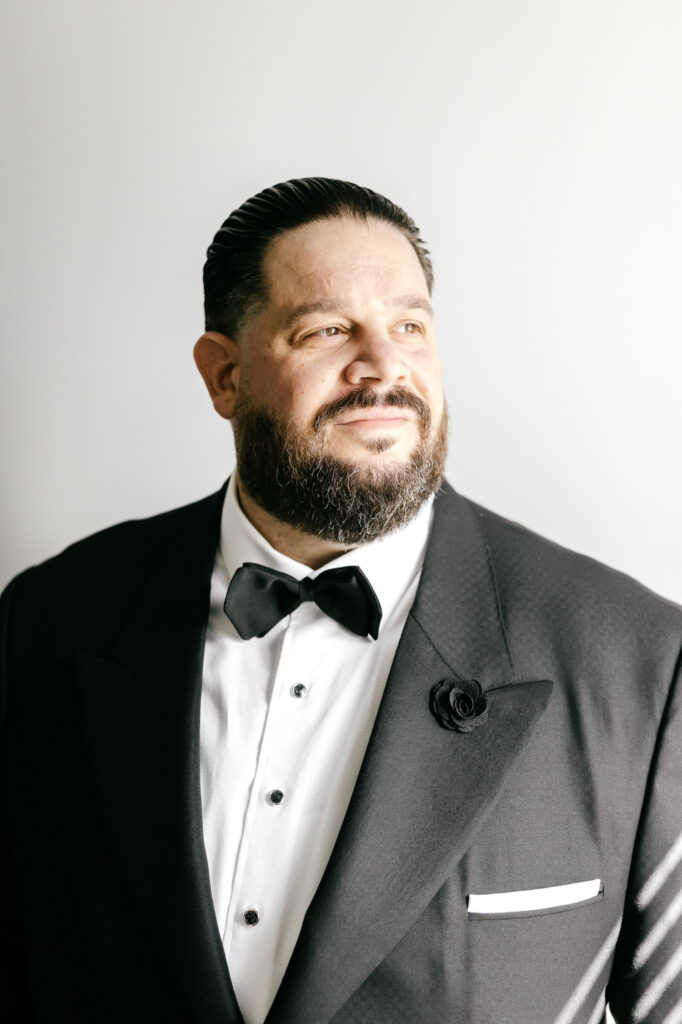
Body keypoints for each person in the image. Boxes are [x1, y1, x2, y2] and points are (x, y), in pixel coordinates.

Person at [1, 178, 681, 1024]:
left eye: (409, 325)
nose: (384, 366)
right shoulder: (45, 623)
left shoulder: (641, 661)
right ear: (224, 376)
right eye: (327, 330)